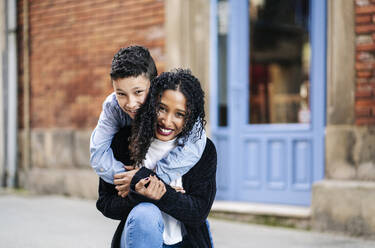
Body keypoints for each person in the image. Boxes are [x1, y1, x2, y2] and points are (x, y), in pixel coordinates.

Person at [96, 69, 217, 248]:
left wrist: (161, 193)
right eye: (162, 108)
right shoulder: (124, 140)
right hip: (139, 240)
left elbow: (199, 211)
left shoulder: (203, 151)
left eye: (179, 114)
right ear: (151, 104)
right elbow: (105, 203)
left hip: (185, 242)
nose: (167, 122)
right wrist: (139, 196)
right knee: (146, 213)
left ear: (190, 117)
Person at [89, 46, 207, 198]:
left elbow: (195, 145)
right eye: (121, 94)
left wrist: (153, 180)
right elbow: (98, 155)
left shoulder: (175, 102)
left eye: (138, 92)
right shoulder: (113, 107)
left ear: (154, 86)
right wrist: (133, 181)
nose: (131, 104)